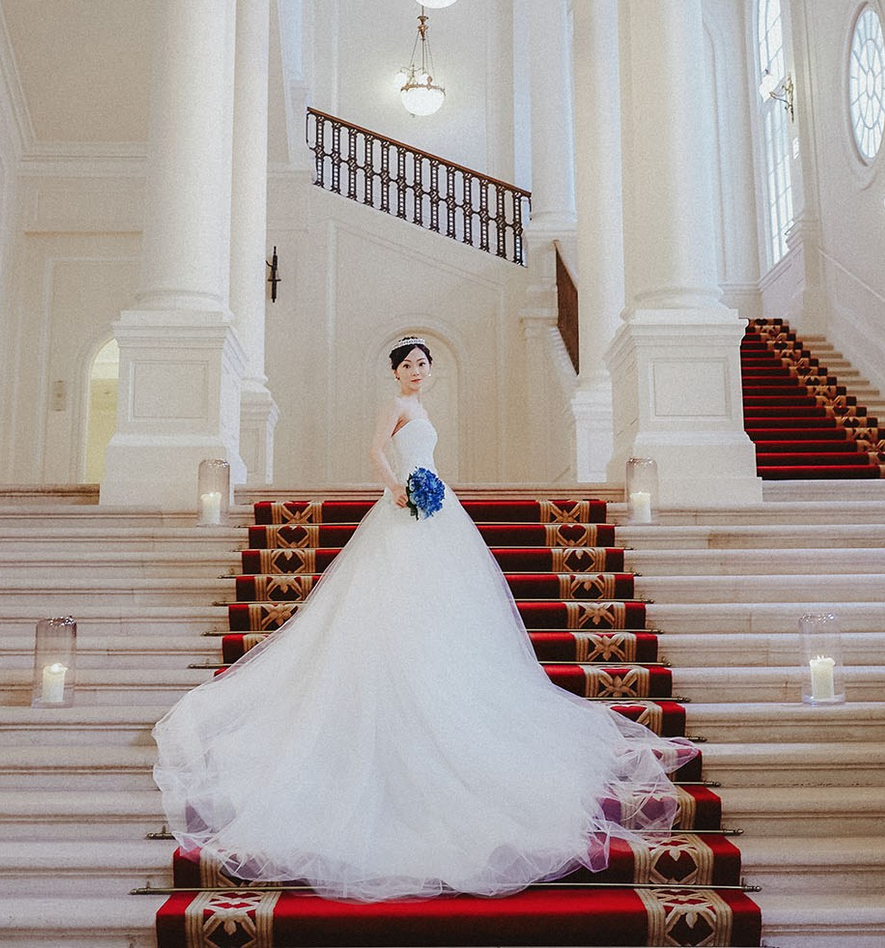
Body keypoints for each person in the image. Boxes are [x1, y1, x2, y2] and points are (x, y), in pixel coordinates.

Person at [150, 339, 693, 900]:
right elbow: (375, 450)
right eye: (408, 365)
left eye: (423, 365)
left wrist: (424, 489)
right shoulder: (396, 405)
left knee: (446, 609)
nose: (416, 371)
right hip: (404, 508)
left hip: (435, 510)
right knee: (390, 600)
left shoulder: (423, 407)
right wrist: (399, 489)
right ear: (395, 372)